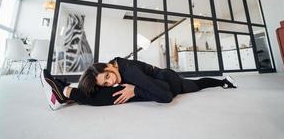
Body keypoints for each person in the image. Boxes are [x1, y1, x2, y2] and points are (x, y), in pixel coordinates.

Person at [41, 57, 237, 110]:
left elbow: (166, 96)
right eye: (106, 81)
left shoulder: (129, 72)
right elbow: (100, 82)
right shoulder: (112, 67)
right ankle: (66, 92)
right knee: (110, 94)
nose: (111, 82)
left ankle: (223, 81)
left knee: (197, 84)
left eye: (108, 77)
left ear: (110, 66)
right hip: (155, 81)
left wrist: (135, 89)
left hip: (169, 83)